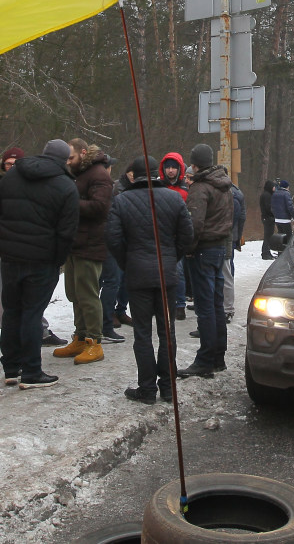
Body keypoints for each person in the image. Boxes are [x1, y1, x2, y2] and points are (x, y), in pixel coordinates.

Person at [0, 139, 80, 389]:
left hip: (10, 257)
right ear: (62, 160)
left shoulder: (12, 177)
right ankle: (32, 371)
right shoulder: (66, 186)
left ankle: (11, 367)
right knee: (32, 313)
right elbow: (67, 231)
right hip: (42, 260)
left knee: (12, 311)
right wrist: (57, 260)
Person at [106, 155, 194, 404]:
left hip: (138, 277)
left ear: (134, 175)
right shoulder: (175, 198)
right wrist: (170, 257)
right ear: (157, 173)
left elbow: (113, 239)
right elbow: (187, 236)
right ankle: (168, 388)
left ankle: (147, 389)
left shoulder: (122, 200)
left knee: (143, 334)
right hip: (166, 276)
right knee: (167, 333)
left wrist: (129, 262)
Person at [50, 138, 114, 362]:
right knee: (74, 294)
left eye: (71, 157)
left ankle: (95, 342)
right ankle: (80, 336)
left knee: (88, 295)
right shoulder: (77, 174)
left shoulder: (98, 175)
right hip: (75, 243)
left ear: (83, 153)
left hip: (91, 243)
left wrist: (69, 202)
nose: (68, 162)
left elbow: (100, 207)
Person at [179, 143, 233, 379]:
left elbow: (194, 225)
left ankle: (205, 360)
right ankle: (218, 357)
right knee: (216, 305)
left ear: (194, 163)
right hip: (219, 249)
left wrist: (188, 249)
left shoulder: (200, 188)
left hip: (203, 251)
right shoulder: (224, 186)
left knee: (205, 308)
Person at [100, 161, 134, 343]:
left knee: (123, 279)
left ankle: (119, 311)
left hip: (125, 240)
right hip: (112, 240)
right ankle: (106, 318)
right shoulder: (113, 188)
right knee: (112, 280)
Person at [159, 152, 190, 320]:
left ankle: (179, 304)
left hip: (177, 237)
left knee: (178, 271)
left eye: (174, 167)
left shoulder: (185, 190)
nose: (171, 171)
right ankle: (163, 304)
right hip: (161, 235)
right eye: (168, 167)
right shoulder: (158, 187)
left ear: (179, 169)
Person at [225, 182, 246, 323]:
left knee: (226, 271)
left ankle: (227, 307)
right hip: (231, 236)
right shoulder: (237, 193)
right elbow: (241, 217)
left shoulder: (233, 196)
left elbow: (238, 216)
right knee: (227, 269)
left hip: (227, 238)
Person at [272, 179, 294, 252]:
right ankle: (288, 253)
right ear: (286, 187)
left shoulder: (275, 194)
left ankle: (280, 253)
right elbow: (290, 207)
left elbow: (273, 207)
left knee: (280, 238)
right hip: (285, 219)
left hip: (277, 219)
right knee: (289, 238)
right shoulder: (286, 194)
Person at [259, 179, 276, 259]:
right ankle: (265, 253)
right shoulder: (267, 195)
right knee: (268, 236)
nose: (274, 188)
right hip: (268, 218)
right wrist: (274, 214)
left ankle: (266, 252)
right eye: (273, 187)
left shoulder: (265, 194)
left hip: (266, 217)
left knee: (268, 236)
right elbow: (268, 207)